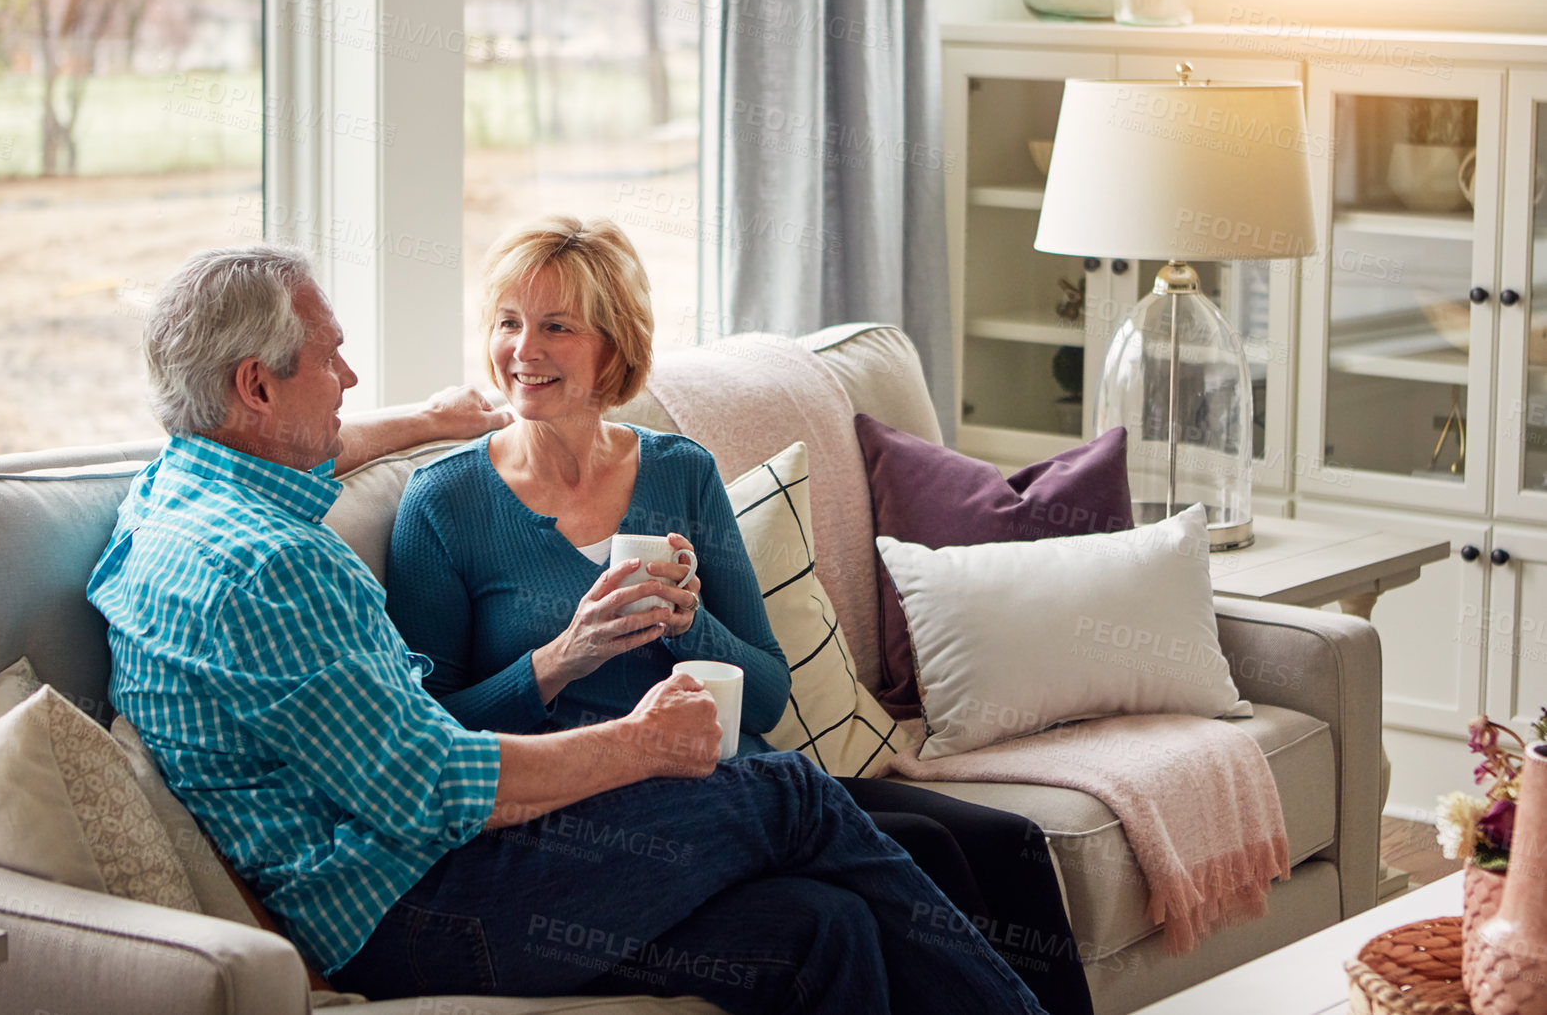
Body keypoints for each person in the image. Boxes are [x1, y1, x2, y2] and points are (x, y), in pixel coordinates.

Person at [88, 243, 1045, 1015]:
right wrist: (638, 738)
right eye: (330, 357)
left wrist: (412, 418)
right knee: (789, 791)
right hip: (419, 899)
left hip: (406, 880)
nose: (349, 375)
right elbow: (438, 783)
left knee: (819, 929)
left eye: (558, 326)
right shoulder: (282, 562)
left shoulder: (169, 493)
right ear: (256, 387)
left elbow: (287, 447)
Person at [386, 217, 1093, 1015]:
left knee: (1009, 844)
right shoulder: (443, 504)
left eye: (557, 326)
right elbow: (431, 731)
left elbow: (764, 696)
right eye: (508, 323)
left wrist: (690, 623)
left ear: (612, 347)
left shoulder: (679, 472)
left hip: (735, 778)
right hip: (599, 814)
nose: (525, 349)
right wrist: (563, 659)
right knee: (908, 862)